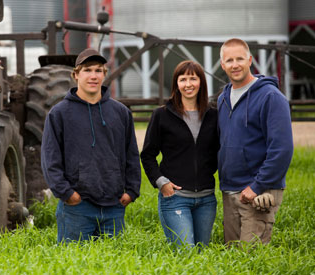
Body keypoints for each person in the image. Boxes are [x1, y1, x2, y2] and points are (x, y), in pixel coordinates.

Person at [41, 48, 141, 243]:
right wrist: (68, 194)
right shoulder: (59, 113)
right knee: (74, 266)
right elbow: (50, 159)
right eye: (87, 70)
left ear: (104, 74)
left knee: (114, 266)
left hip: (114, 206)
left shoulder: (120, 113)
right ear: (76, 74)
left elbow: (131, 155)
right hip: (77, 208)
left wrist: (131, 192)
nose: (93, 76)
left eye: (98, 70)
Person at [218, 38, 293, 244]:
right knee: (231, 256)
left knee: (251, 258)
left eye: (240, 59)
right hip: (230, 190)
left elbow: (282, 149)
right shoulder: (223, 98)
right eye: (229, 60)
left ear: (250, 59)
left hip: (258, 192)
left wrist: (257, 186)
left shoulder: (271, 97)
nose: (235, 65)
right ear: (222, 64)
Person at [141, 60, 219, 247]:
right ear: (176, 83)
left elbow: (220, 151)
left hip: (207, 198)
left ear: (201, 82)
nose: (188, 84)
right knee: (187, 253)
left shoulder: (214, 115)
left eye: (193, 78)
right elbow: (148, 154)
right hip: (175, 198)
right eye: (183, 79)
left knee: (201, 254)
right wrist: (162, 183)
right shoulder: (162, 115)